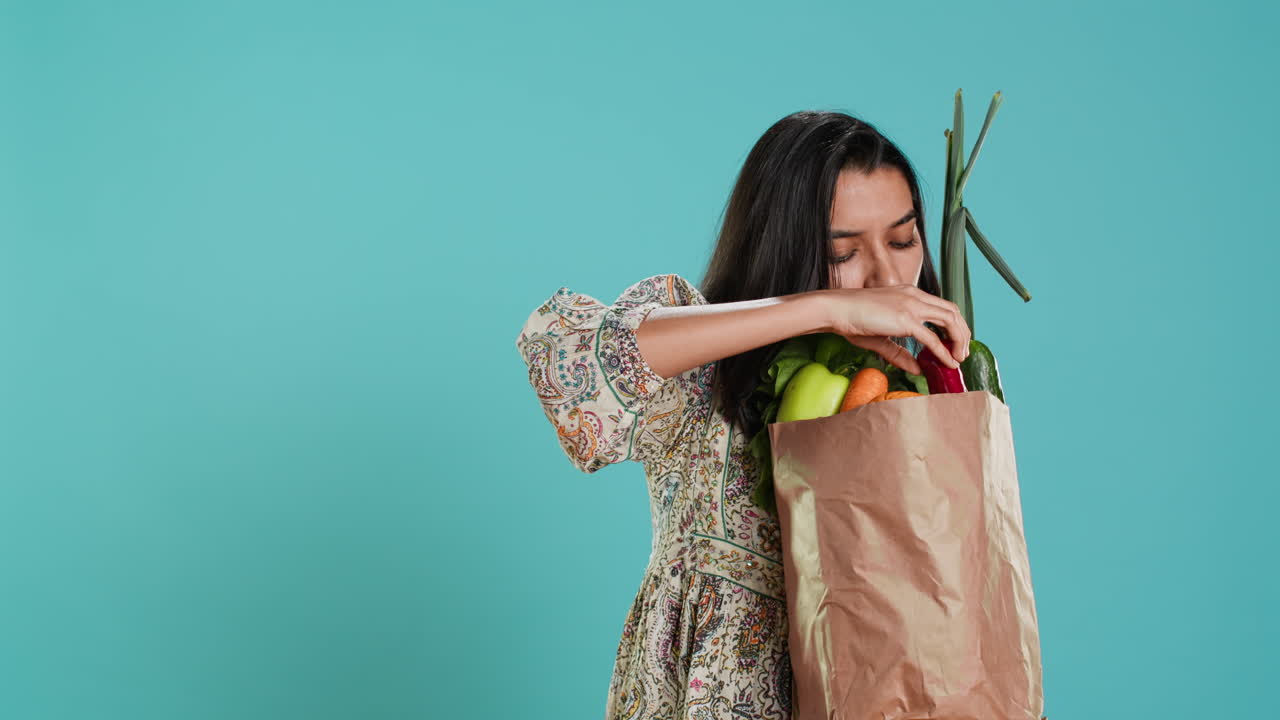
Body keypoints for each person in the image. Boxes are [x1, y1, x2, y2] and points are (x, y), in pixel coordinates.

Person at [514, 110, 971, 719]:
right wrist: (820, 309)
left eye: (901, 240)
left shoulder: (925, 397)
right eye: (843, 253)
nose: (885, 279)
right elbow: (582, 368)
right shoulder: (708, 372)